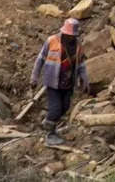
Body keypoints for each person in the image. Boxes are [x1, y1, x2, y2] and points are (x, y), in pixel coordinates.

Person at [31, 18, 89, 146]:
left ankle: (48, 124)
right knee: (56, 109)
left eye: (72, 35)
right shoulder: (52, 41)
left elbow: (81, 65)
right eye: (68, 35)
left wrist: (85, 80)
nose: (69, 37)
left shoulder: (78, 46)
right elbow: (40, 59)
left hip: (68, 83)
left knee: (65, 107)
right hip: (53, 82)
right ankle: (49, 134)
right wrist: (34, 77)